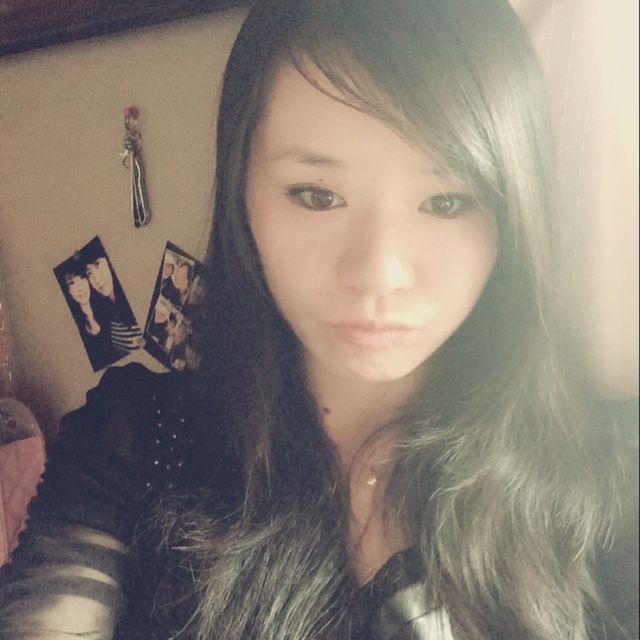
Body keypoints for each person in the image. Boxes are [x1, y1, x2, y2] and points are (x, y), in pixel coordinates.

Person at [1, 1, 637, 639]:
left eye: (447, 201)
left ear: (512, 212)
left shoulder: (604, 474)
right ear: (242, 193)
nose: (379, 272)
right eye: (317, 196)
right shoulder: (136, 440)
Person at [81, 238, 145, 356]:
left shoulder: (136, 295)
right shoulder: (103, 314)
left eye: (97, 264)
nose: (97, 279)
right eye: (89, 273)